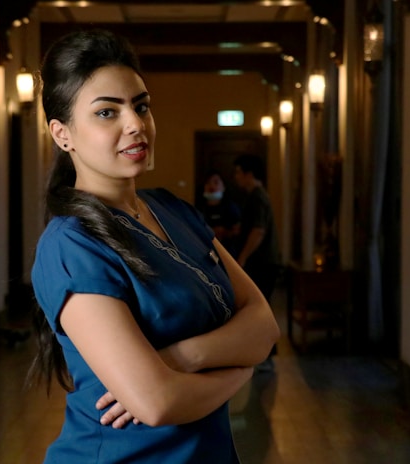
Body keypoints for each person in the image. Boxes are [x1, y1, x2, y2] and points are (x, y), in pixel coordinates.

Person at [28, 29, 280, 463]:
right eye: (107, 112)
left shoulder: (174, 211)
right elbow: (158, 403)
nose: (135, 125)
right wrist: (240, 369)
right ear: (62, 133)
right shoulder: (71, 245)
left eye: (141, 106)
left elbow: (264, 325)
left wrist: (183, 357)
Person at [233, 154, 281, 372]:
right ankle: (265, 354)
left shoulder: (258, 197)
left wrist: (243, 256)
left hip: (263, 261)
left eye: (238, 173)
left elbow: (258, 231)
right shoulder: (254, 196)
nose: (236, 178)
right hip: (263, 261)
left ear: (248, 174)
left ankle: (266, 356)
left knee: (260, 308)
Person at [196, 170, 241, 256]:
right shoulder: (199, 209)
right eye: (208, 183)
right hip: (205, 251)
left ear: (223, 187)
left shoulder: (231, 208)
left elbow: (238, 231)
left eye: (216, 182)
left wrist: (224, 232)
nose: (212, 186)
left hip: (228, 252)